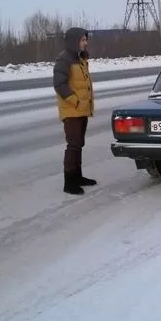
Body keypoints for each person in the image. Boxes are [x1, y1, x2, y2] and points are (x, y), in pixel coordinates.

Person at [53, 27, 97, 195]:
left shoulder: (80, 58)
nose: (85, 43)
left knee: (79, 144)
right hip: (72, 111)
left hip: (81, 110)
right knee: (73, 145)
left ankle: (78, 177)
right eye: (82, 40)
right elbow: (59, 85)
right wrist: (76, 101)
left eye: (86, 40)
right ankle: (69, 182)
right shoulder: (64, 60)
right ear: (74, 41)